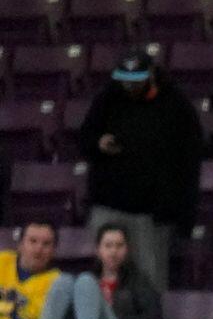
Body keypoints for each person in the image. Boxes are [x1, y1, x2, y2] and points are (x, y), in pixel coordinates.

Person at [81, 50, 200, 293]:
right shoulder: (108, 98)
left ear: (151, 75)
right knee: (101, 279)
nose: (129, 86)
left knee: (151, 279)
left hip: (152, 211)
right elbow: (84, 138)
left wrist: (180, 210)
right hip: (108, 203)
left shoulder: (174, 104)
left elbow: (190, 157)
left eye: (135, 81)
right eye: (125, 80)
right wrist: (99, 143)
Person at [1, 220, 65, 319]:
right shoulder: (2, 260)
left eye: (46, 244)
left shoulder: (57, 281)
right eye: (33, 241)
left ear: (54, 250)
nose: (38, 249)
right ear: (20, 244)